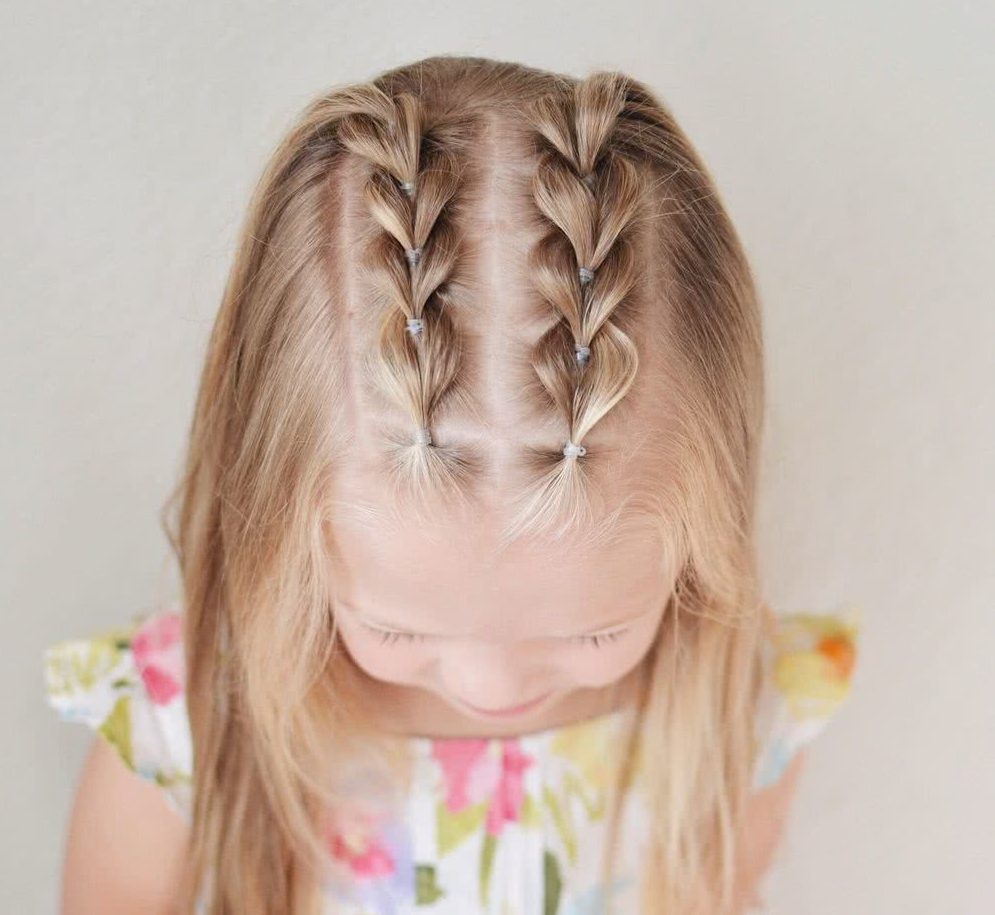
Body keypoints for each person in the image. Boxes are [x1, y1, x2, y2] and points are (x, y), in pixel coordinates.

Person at [42, 55, 859, 915]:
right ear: (277, 526)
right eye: (394, 628)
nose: (491, 687)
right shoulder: (182, 730)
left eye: (595, 631)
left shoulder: (740, 716)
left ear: (707, 532)